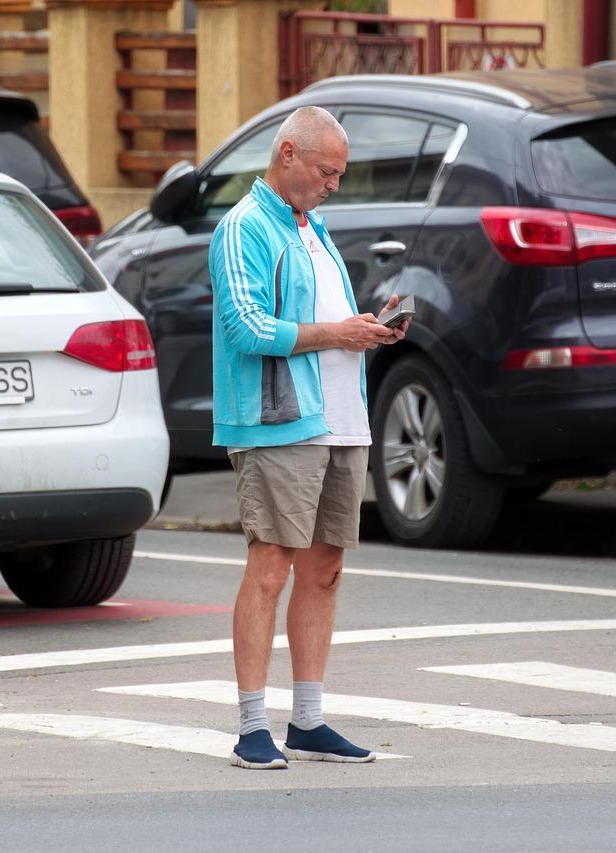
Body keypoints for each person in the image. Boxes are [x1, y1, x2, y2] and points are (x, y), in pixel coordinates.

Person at [208, 105, 409, 770]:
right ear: (288, 153)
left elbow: (321, 323)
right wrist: (335, 334)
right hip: (279, 421)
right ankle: (250, 726)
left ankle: (309, 720)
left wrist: (368, 329)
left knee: (324, 571)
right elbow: (244, 326)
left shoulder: (313, 226)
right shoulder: (244, 226)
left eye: (340, 174)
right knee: (271, 564)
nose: (334, 185)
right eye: (328, 171)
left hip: (337, 419)